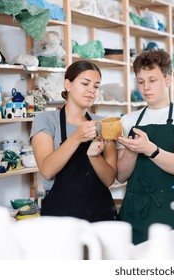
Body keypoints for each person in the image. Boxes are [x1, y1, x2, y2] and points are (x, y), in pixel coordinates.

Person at [117, 49, 174, 244]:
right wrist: (131, 150)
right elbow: (121, 175)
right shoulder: (128, 120)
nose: (146, 87)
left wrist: (149, 149)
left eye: (152, 80)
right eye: (140, 81)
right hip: (135, 212)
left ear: (167, 79)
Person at [30, 60, 118, 222]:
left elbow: (109, 179)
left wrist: (94, 156)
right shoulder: (46, 120)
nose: (91, 90)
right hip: (61, 218)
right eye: (85, 83)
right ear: (68, 85)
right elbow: (47, 170)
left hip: (100, 214)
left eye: (96, 86)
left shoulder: (103, 124)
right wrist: (77, 137)